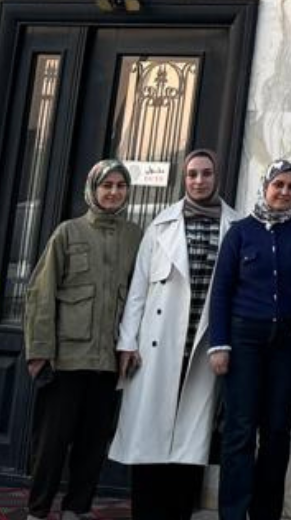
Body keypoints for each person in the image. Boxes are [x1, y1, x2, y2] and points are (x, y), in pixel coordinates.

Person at [113, 147, 241, 519]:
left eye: (206, 173)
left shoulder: (235, 226)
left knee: (189, 444)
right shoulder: (161, 224)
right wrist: (127, 341)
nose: (199, 181)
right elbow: (138, 288)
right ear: (184, 178)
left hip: (203, 347)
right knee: (148, 440)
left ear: (217, 176)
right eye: (192, 174)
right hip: (157, 346)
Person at [24, 158, 143, 520]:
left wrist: (132, 346)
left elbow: (140, 297)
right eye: (107, 185)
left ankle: (77, 509)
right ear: (93, 189)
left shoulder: (135, 236)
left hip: (108, 362)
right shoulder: (68, 232)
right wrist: (39, 351)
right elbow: (41, 293)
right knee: (52, 443)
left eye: (120, 186)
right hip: (66, 359)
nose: (113, 192)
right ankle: (38, 510)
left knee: (93, 444)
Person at [208, 159, 291, 520]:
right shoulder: (240, 233)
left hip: (288, 344)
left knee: (277, 430)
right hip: (244, 340)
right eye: (279, 185)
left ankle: (266, 513)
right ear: (265, 186)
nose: (285, 192)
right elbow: (221, 290)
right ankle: (233, 512)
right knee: (240, 430)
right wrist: (219, 344)